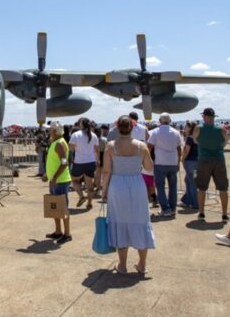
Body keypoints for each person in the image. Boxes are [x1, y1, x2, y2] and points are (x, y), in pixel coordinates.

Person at [102, 115, 156, 274]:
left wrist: (104, 190)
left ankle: (123, 265)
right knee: (140, 220)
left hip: (117, 185)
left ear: (117, 128)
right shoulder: (141, 146)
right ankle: (142, 264)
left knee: (120, 221)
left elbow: (106, 171)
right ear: (132, 128)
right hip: (136, 184)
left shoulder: (111, 146)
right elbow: (149, 167)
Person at [193, 108, 230, 222]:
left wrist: (205, 146)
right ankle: (224, 214)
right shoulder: (221, 129)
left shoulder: (199, 128)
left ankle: (201, 213)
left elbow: (195, 140)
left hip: (204, 159)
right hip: (219, 159)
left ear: (204, 117)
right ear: (214, 117)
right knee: (223, 188)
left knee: (202, 188)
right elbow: (225, 142)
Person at [147, 114, 182, 217]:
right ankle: (173, 208)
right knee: (173, 186)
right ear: (170, 120)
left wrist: (147, 159)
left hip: (160, 162)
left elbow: (149, 146)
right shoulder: (176, 132)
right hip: (173, 162)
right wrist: (178, 161)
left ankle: (165, 209)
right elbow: (179, 149)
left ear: (159, 121)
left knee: (160, 187)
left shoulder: (156, 132)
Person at [43, 122, 72, 244]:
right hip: (56, 180)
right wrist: (48, 175)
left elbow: (64, 162)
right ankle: (58, 231)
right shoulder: (56, 142)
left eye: (50, 130)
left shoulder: (59, 144)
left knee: (62, 207)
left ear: (55, 131)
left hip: (60, 181)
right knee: (55, 207)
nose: (48, 132)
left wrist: (54, 177)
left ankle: (67, 233)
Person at [69, 118, 99, 211]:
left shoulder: (76, 134)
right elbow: (97, 149)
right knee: (89, 185)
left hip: (79, 162)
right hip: (91, 162)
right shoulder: (93, 135)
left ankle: (81, 196)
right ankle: (89, 203)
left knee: (74, 181)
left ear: (81, 124)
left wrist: (73, 155)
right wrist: (97, 159)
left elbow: (71, 148)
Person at [180, 122, 199, 209]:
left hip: (190, 162)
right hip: (196, 162)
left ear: (190, 128)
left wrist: (182, 158)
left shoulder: (190, 138)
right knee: (189, 181)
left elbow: (187, 150)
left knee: (191, 182)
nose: (184, 128)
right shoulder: (197, 138)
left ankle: (195, 203)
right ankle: (187, 200)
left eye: (186, 127)